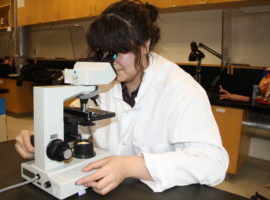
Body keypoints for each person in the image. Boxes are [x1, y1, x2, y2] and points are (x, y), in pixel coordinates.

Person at [15, 0, 229, 195]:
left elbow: (212, 164)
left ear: (145, 44)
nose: (111, 62)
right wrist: (42, 137)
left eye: (119, 51)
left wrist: (131, 166)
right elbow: (75, 122)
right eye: (103, 53)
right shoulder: (103, 79)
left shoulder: (181, 89)